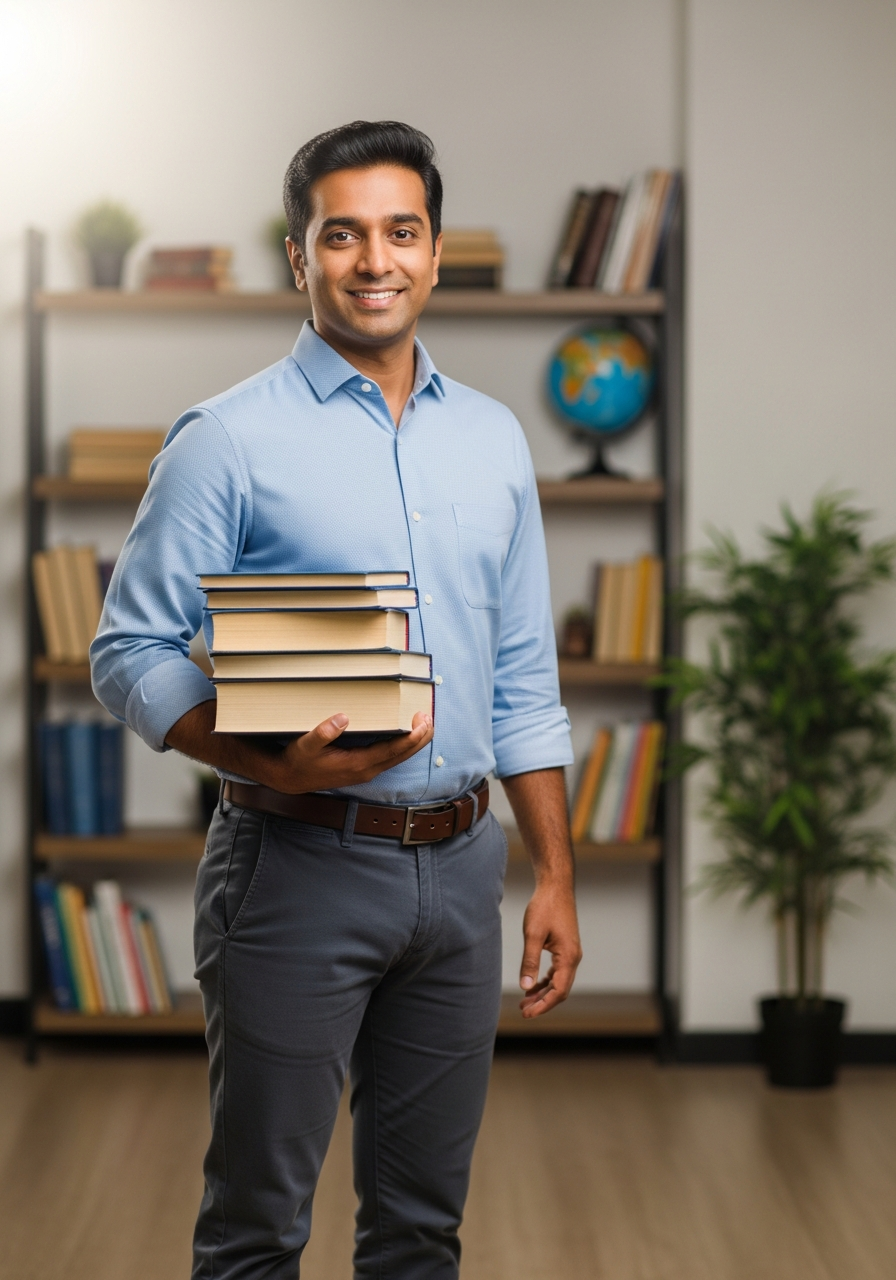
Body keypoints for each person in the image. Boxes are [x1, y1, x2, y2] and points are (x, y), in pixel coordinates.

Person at [91, 120, 582, 1280]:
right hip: (294, 864)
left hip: (463, 874)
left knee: (420, 1228)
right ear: (299, 256)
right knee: (257, 1226)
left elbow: (523, 676)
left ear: (434, 248)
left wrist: (553, 871)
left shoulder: (494, 439)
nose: (376, 261)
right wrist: (259, 758)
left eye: (400, 232)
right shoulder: (227, 439)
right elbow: (130, 645)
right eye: (343, 234)